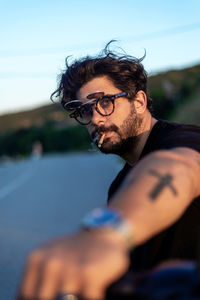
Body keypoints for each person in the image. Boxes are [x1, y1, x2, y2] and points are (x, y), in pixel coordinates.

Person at [17, 42, 200, 300]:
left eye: (104, 102)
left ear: (139, 102)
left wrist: (108, 234)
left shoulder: (184, 140)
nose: (94, 119)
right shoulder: (120, 186)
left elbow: (179, 167)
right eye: (84, 110)